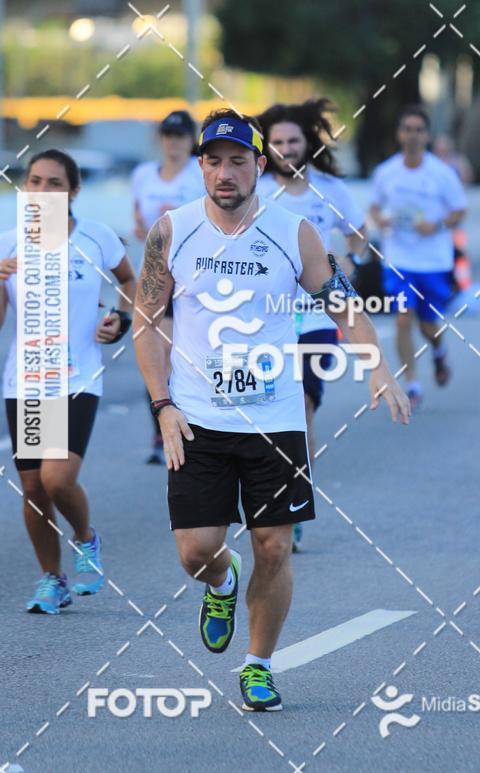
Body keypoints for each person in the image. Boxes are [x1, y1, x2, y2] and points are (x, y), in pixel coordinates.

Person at [134, 109, 410, 711]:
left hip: (276, 418)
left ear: (260, 164)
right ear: (201, 166)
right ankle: (222, 581)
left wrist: (378, 367)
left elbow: (341, 304)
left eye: (238, 160)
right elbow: (146, 323)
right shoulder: (171, 231)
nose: (225, 172)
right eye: (214, 161)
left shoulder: (293, 232)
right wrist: (162, 406)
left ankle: (258, 664)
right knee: (195, 552)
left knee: (276, 546)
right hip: (196, 418)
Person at [0, 149, 136, 614]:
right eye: (34, 181)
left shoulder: (97, 239)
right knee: (34, 487)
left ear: (73, 191)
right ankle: (52, 580)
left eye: (53, 183)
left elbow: (129, 282)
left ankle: (86, 539)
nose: (41, 191)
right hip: (27, 381)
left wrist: (119, 318)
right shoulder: (10, 244)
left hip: (77, 377)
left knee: (58, 479)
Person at [257, 98, 367, 550]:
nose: (286, 148)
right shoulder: (257, 191)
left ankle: (292, 504)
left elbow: (359, 238)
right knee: (266, 416)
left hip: (317, 318)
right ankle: (270, 491)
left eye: (293, 140)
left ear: (308, 143)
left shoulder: (330, 190)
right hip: (263, 322)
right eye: (277, 142)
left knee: (301, 409)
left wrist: (349, 261)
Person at [370, 106, 467, 409]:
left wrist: (436, 225)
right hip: (398, 261)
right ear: (399, 134)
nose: (412, 135)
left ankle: (438, 353)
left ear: (427, 135)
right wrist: (381, 220)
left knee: (428, 326)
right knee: (402, 319)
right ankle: (412, 383)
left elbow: (460, 210)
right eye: (407, 129)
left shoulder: (442, 173)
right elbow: (374, 206)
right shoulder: (386, 172)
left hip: (433, 262)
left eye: (418, 130)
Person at [131, 110, 206, 464]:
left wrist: (175, 213)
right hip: (157, 274)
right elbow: (137, 223)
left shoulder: (198, 172)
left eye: (180, 136)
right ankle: (162, 430)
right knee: (158, 354)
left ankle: (196, 425)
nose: (173, 142)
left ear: (191, 140)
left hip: (193, 274)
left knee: (180, 357)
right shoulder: (143, 175)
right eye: (167, 135)